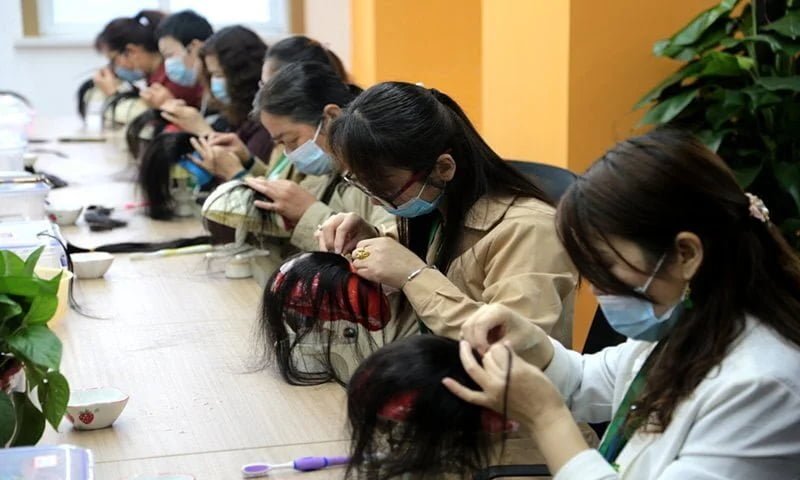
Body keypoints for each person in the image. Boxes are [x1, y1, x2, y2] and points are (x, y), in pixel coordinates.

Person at [447, 129, 800, 479]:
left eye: (607, 266)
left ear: (687, 254)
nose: (598, 289)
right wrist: (533, 344)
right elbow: (591, 380)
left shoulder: (762, 385)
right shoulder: (690, 323)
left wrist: (546, 418)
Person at [317, 82, 577, 348]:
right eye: (360, 184)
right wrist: (368, 239)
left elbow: (514, 348)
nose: (373, 200)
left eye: (384, 188)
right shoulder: (437, 213)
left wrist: (414, 277)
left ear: (443, 167)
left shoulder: (530, 230)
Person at [198, 62, 394, 270]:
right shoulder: (328, 168)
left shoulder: (384, 172)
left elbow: (383, 258)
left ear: (331, 117)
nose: (290, 153)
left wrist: (307, 212)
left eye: (291, 140)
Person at [160, 26, 272, 163]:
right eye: (212, 75)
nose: (214, 83)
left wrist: (202, 130)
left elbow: (246, 173)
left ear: (242, 75)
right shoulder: (231, 113)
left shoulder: (266, 123)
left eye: (219, 75)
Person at [93, 10, 203, 109]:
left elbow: (152, 122)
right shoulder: (153, 77)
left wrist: (114, 94)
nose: (113, 67)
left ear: (131, 51)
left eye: (113, 60)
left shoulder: (175, 77)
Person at [152, 10, 214, 107]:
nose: (167, 63)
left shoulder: (222, 93)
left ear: (195, 47)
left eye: (169, 55)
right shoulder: (205, 93)